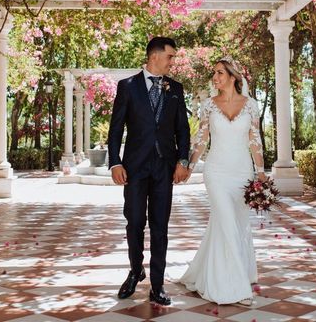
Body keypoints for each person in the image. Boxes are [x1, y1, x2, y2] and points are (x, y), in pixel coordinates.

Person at [108, 37, 191, 306]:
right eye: (170, 56)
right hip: (134, 167)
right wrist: (115, 162)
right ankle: (135, 271)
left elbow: (183, 130)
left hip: (164, 167)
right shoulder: (127, 87)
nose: (172, 62)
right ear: (154, 56)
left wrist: (183, 161)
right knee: (134, 222)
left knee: (160, 227)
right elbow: (116, 128)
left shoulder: (175, 88)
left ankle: (157, 284)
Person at [180, 56, 267, 306]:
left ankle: (214, 272)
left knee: (236, 224)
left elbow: (255, 141)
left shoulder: (251, 105)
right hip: (216, 172)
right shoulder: (208, 105)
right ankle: (236, 288)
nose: (215, 77)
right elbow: (201, 140)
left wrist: (261, 173)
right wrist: (190, 166)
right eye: (214, 73)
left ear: (232, 77)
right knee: (227, 223)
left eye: (220, 73)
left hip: (242, 172)